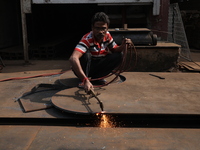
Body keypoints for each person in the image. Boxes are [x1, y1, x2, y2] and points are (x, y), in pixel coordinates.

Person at [69, 12, 133, 93]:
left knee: (118, 55)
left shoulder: (107, 36)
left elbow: (115, 49)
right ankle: (84, 79)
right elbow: (73, 58)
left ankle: (98, 77)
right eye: (97, 28)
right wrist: (85, 80)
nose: (101, 31)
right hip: (87, 67)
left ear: (107, 28)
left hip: (98, 64)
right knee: (86, 55)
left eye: (103, 28)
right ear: (92, 27)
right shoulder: (87, 39)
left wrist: (123, 46)